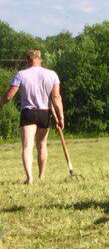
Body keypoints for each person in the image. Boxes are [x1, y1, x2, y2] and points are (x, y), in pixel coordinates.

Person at [2, 50, 64, 184]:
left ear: (27, 61)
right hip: (44, 112)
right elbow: (56, 97)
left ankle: (29, 178)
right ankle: (41, 176)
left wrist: (1, 103)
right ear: (40, 59)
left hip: (28, 113)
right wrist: (61, 117)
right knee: (42, 145)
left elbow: (9, 95)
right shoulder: (52, 74)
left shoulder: (21, 74)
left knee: (27, 146)